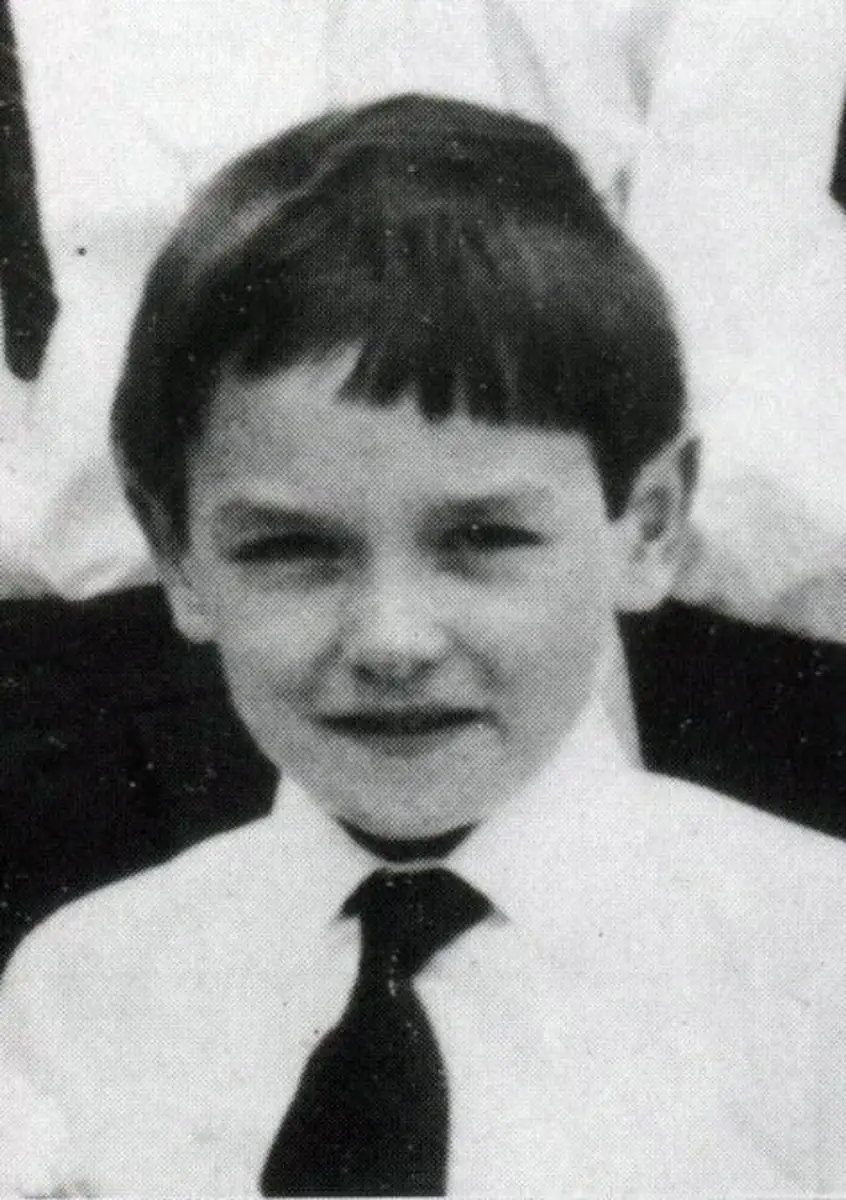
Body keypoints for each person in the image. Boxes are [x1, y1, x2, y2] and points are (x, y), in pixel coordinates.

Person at [1, 94, 846, 1197]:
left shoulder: (813, 969)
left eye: (483, 538)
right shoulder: (83, 990)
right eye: (293, 550)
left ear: (648, 525)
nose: (391, 641)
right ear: (176, 553)